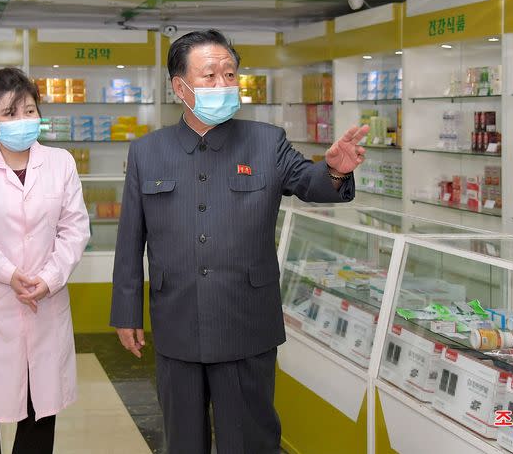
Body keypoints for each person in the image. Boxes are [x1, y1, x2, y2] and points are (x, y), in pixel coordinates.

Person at [110, 29, 368, 453]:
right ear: (181, 87)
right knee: (183, 442)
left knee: (249, 441)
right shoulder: (147, 152)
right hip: (177, 322)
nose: (223, 85)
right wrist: (126, 313)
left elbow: (311, 183)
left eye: (230, 74)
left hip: (246, 322)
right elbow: (130, 239)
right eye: (209, 76)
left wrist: (335, 169)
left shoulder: (267, 142)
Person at [0, 67, 90, 454]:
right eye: (10, 113)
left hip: (44, 302)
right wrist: (7, 273)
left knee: (38, 413)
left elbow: (74, 230)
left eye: (29, 110)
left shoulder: (61, 163)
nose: (23, 120)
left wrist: (50, 277)